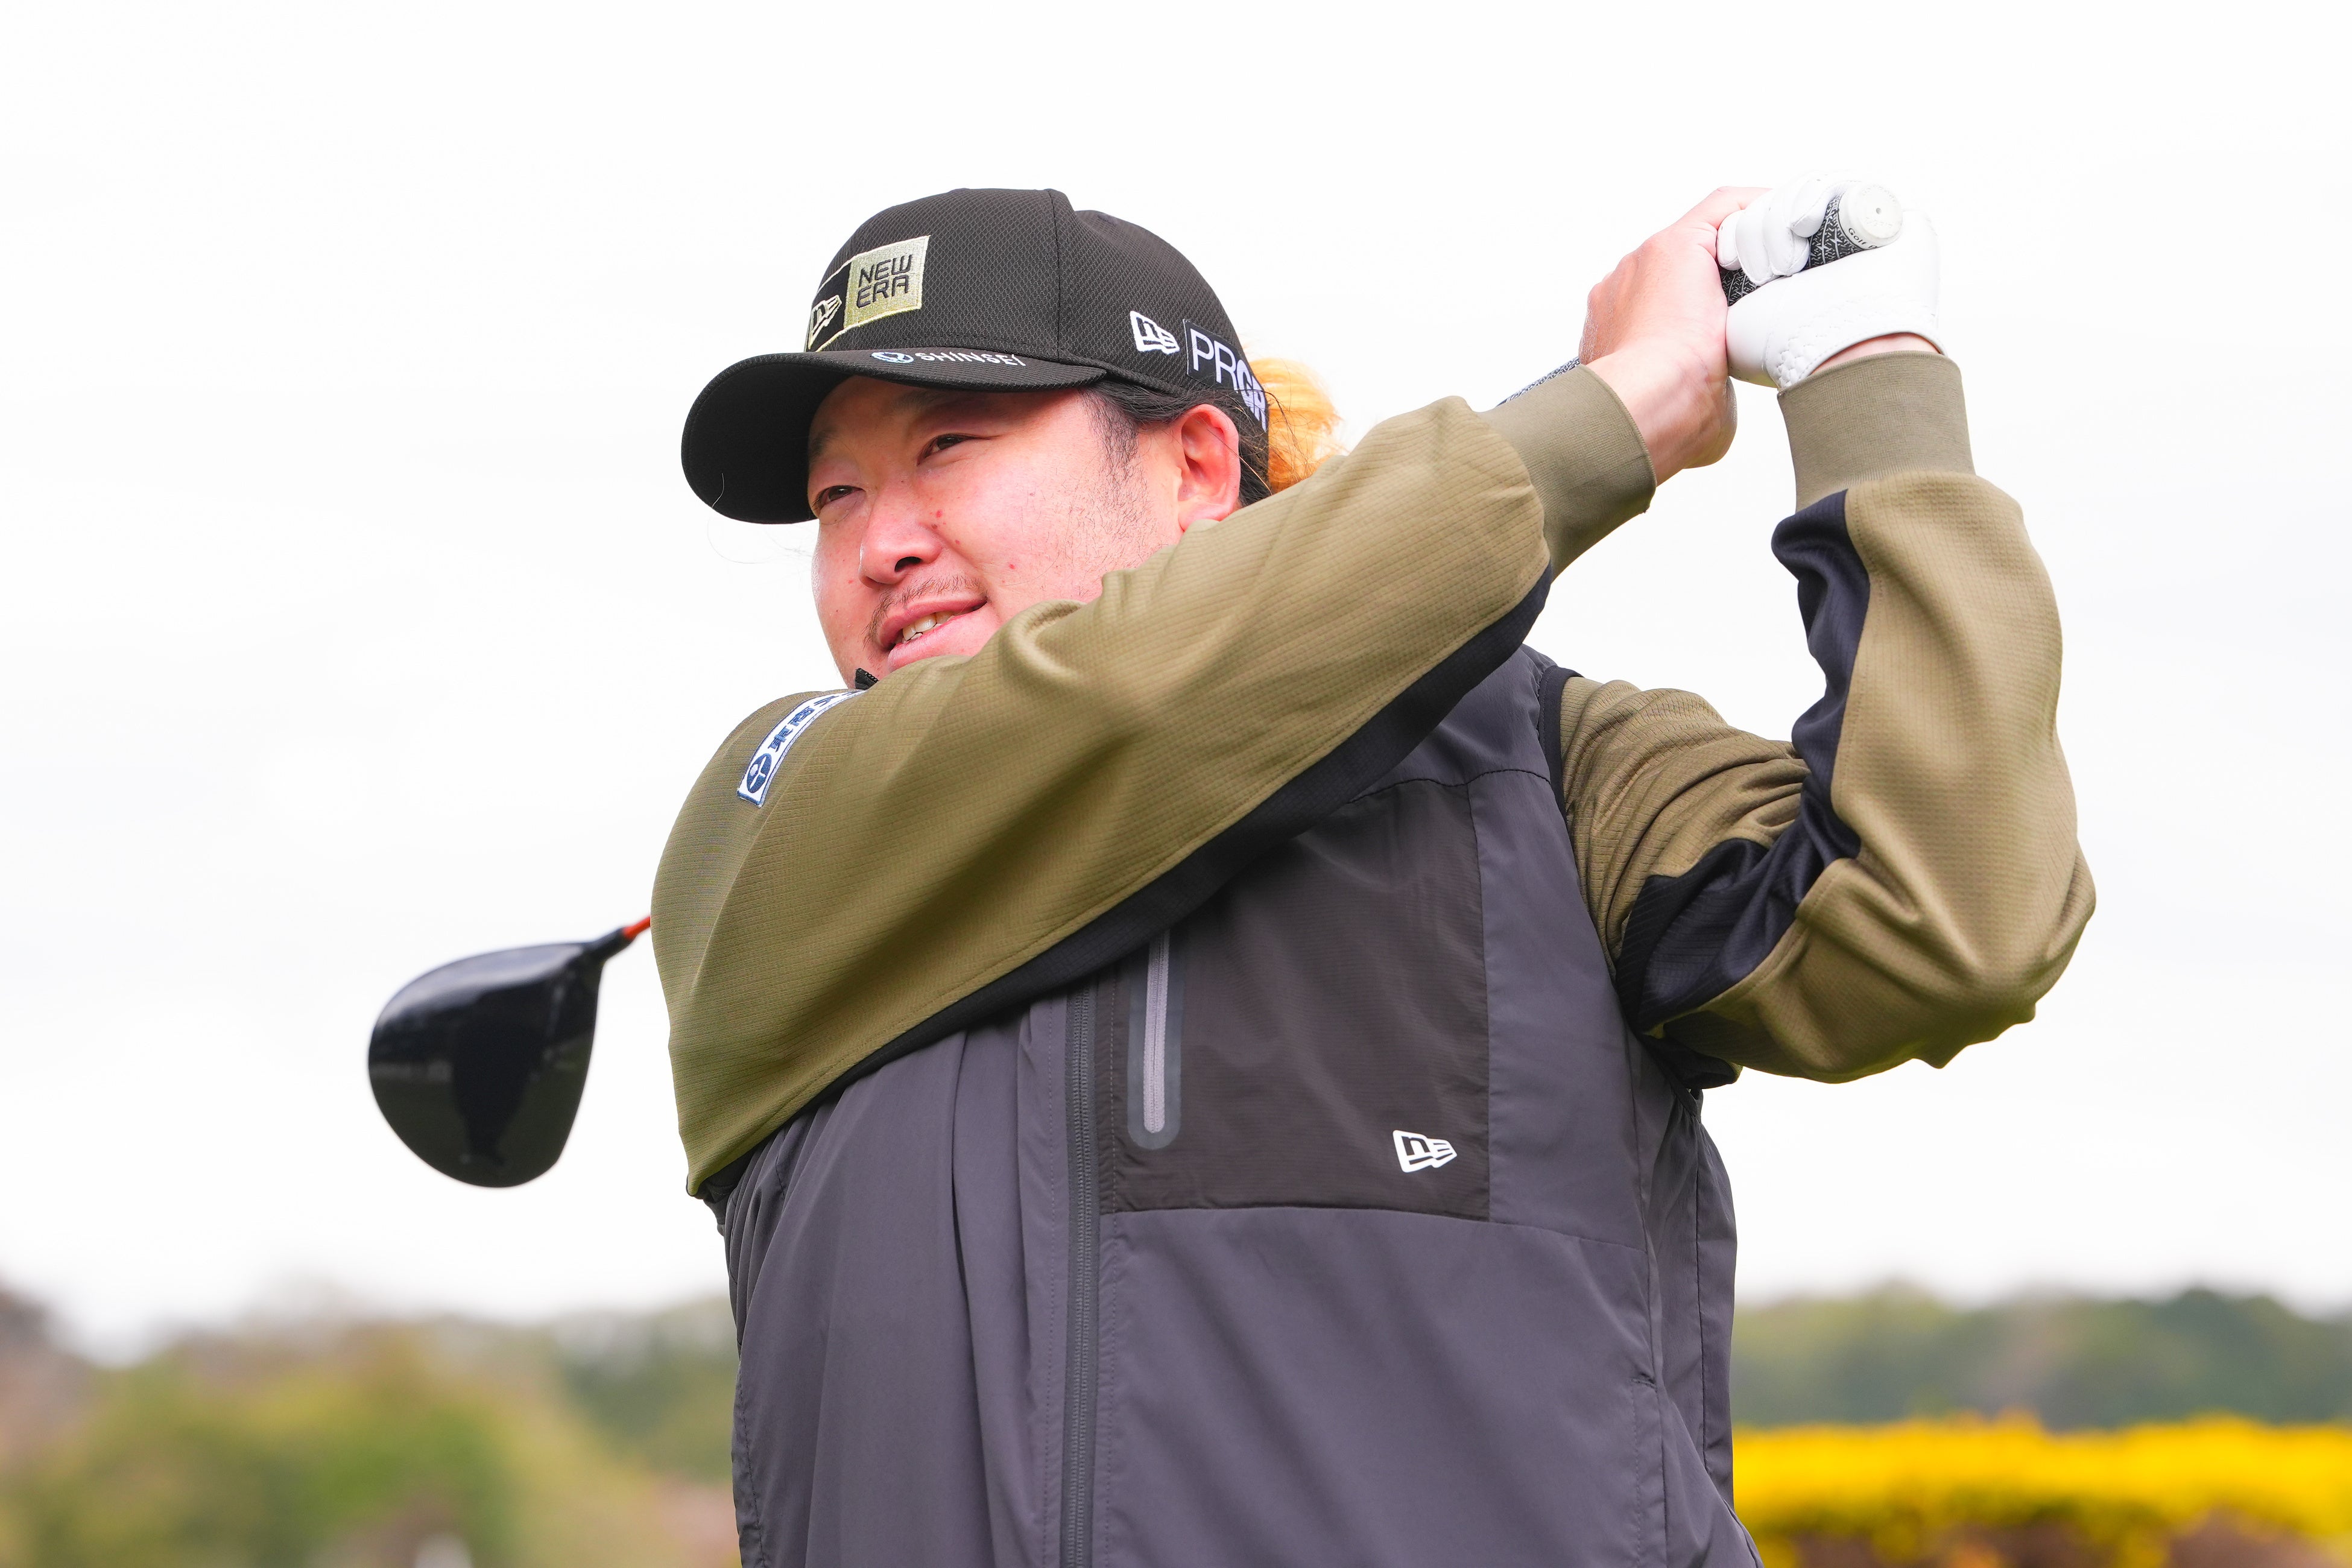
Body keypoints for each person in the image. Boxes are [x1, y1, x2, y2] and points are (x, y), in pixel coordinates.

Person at [654, 185, 2092, 1567]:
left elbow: (1946, 917)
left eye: (949, 448)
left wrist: (1867, 380)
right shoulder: (771, 824)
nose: (879, 542)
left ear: (1196, 468)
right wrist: (1620, 405)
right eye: (836, 494)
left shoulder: (1554, 765)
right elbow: (1136, 705)